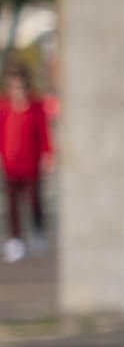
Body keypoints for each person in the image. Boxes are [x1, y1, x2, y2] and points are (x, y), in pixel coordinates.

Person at [0, 54, 50, 261]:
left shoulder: (35, 107)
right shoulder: (4, 108)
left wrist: (48, 154)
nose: (16, 90)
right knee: (12, 203)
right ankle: (15, 240)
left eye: (19, 85)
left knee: (34, 201)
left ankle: (38, 233)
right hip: (11, 163)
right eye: (13, 86)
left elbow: (43, 133)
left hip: (31, 163)